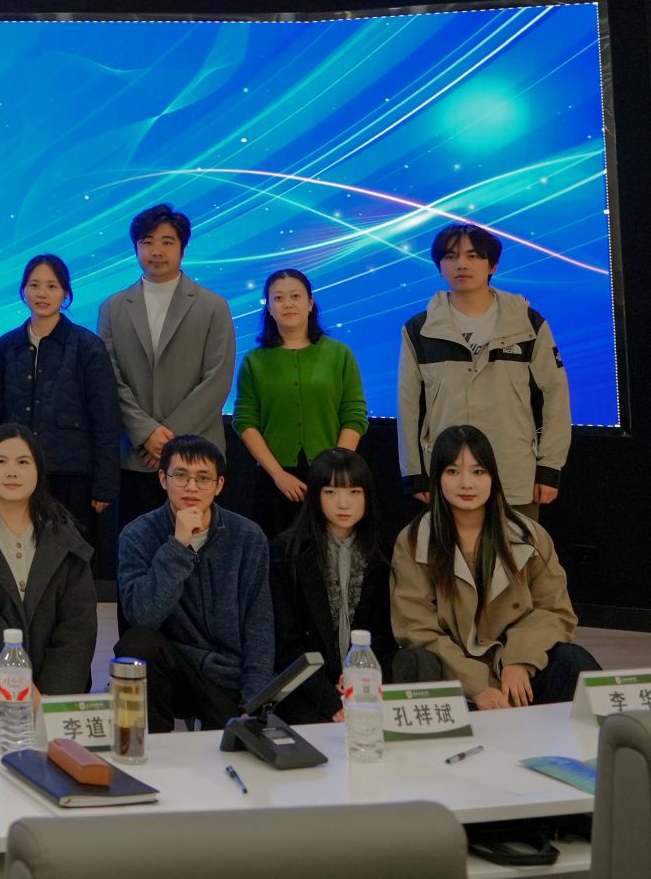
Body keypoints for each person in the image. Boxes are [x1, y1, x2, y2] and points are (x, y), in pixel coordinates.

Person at [389, 424, 598, 708]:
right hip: (453, 676)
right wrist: (477, 684)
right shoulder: (413, 541)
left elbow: (555, 610)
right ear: (437, 478)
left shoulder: (529, 535)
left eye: (478, 472)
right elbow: (416, 629)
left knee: (573, 660)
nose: (466, 484)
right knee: (415, 662)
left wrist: (519, 659)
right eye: (453, 471)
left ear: (493, 477)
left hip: (517, 671)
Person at [397, 225, 571, 519]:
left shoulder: (527, 324)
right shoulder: (420, 329)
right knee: (449, 551)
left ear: (492, 265)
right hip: (449, 477)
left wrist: (549, 467)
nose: (461, 264)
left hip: (513, 475)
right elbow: (409, 405)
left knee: (519, 549)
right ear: (439, 266)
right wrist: (414, 472)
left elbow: (554, 397)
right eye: (450, 256)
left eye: (473, 256)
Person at [0, 423, 98, 740]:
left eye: (23, 462)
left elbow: (78, 627)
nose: (12, 471)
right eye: (0, 461)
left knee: (58, 734)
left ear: (38, 471)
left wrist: (50, 697)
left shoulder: (66, 536)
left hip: (55, 673)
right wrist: (29, 694)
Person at [114, 434, 273, 732]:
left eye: (203, 478)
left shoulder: (247, 537)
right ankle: (153, 747)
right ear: (163, 479)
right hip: (174, 667)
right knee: (137, 644)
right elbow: (141, 617)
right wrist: (178, 545)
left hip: (228, 674)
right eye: (180, 476)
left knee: (232, 748)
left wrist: (254, 701)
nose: (191, 487)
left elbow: (259, 624)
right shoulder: (138, 534)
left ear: (219, 485)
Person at [97, 204, 236, 523]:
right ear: (136, 247)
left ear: (182, 248)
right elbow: (109, 378)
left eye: (167, 242)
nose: (156, 251)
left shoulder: (213, 306)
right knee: (138, 545)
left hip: (197, 459)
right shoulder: (113, 308)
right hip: (137, 456)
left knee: (198, 544)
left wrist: (170, 442)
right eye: (147, 242)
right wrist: (146, 433)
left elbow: (217, 379)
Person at [235, 269, 368, 535]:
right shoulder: (254, 361)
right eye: (278, 298)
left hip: (331, 478)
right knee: (276, 551)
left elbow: (354, 415)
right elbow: (245, 422)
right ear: (269, 308)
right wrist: (277, 474)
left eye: (295, 296)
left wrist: (334, 470)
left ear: (310, 303)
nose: (288, 304)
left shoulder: (340, 354)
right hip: (275, 480)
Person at [0, 254, 119, 541]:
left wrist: (105, 485)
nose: (42, 293)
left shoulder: (87, 346)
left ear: (65, 293)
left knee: (69, 551)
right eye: (34, 285)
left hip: (71, 476)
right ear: (23, 291)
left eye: (52, 286)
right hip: (16, 473)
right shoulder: (6, 346)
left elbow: (106, 419)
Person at [268, 447, 393, 724]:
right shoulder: (287, 551)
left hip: (364, 680)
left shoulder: (380, 553)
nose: (343, 504)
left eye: (354, 492)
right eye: (331, 492)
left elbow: (384, 635)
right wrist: (329, 698)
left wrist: (360, 678)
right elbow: (286, 643)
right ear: (315, 496)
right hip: (305, 685)